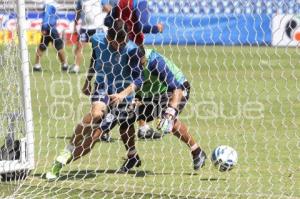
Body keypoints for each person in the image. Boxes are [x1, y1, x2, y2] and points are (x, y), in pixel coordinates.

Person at [46, 46, 206, 178]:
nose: (135, 69)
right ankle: (132, 156)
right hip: (145, 94)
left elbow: (176, 89)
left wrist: (170, 113)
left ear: (143, 60)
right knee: (119, 122)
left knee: (167, 121)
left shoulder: (155, 62)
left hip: (173, 91)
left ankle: (197, 151)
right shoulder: (125, 64)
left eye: (139, 66)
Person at [46, 19, 144, 180]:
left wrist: (122, 95)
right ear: (108, 38)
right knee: (96, 114)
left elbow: (139, 79)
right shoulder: (98, 40)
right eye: (115, 44)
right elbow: (95, 59)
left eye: (123, 43)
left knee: (95, 138)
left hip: (124, 96)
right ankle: (67, 151)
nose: (119, 47)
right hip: (103, 86)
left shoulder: (133, 50)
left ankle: (62, 163)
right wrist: (88, 80)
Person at [104, 0, 164, 139]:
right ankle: (105, 127)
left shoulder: (120, 2)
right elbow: (142, 26)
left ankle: (141, 127)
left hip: (119, 48)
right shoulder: (140, 2)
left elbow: (108, 21)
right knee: (135, 86)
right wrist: (157, 28)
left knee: (120, 87)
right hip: (135, 50)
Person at [69, 0, 112, 73]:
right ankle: (76, 67)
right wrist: (75, 26)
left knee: (100, 49)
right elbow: (78, 12)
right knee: (79, 47)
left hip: (97, 27)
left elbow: (108, 8)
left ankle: (104, 67)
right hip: (84, 27)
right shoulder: (81, 1)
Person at [33, 0, 69, 72]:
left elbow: (48, 15)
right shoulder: (50, 4)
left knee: (42, 46)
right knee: (58, 46)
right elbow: (47, 15)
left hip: (48, 27)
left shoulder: (49, 3)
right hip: (50, 28)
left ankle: (37, 65)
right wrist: (44, 27)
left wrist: (44, 27)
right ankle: (64, 65)